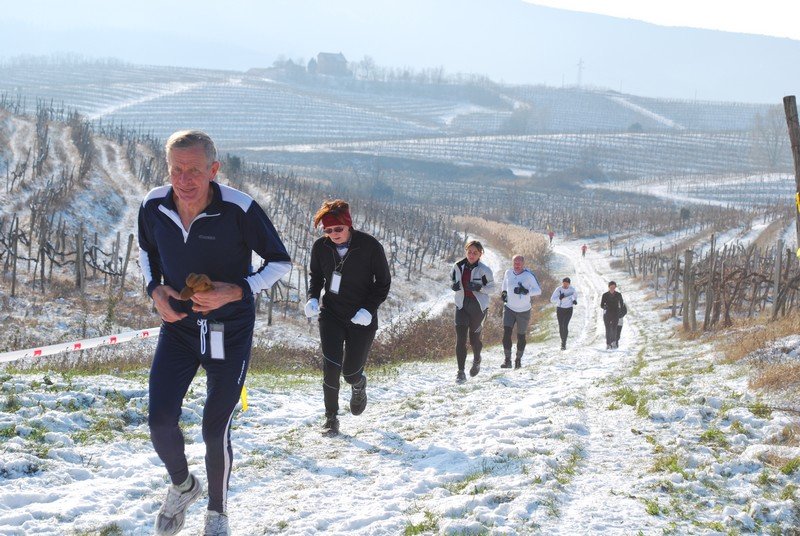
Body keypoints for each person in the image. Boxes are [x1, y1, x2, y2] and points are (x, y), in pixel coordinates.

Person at [138, 130, 292, 535]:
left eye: (194, 170)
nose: (184, 180)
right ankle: (183, 486)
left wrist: (238, 289)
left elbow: (280, 262)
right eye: (176, 170)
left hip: (230, 331)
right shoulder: (154, 205)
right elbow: (146, 250)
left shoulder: (240, 208)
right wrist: (154, 289)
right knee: (160, 421)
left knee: (213, 428)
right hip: (180, 329)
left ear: (214, 169)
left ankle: (217, 514)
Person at [304, 199, 391, 436]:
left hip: (361, 317)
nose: (333, 234)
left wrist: (369, 309)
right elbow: (316, 276)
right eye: (328, 230)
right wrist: (312, 298)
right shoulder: (320, 247)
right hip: (331, 314)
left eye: (338, 229)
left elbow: (383, 283)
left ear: (348, 224)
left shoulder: (370, 246)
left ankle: (358, 384)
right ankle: (331, 418)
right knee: (330, 367)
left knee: (350, 372)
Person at [450, 240, 495, 383]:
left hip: (478, 307)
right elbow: (452, 280)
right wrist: (453, 286)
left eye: (475, 253)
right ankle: (461, 372)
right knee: (461, 339)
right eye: (469, 252)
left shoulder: (484, 270)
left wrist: (478, 287)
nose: (471, 255)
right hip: (461, 305)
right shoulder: (457, 266)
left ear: (480, 254)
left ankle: (477, 360)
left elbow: (492, 288)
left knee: (474, 340)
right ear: (466, 252)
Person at [500, 255, 542, 368]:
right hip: (509, 308)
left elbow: (538, 291)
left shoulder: (529, 275)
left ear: (523, 264)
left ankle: (518, 360)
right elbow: (504, 285)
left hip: (524, 310)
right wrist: (504, 293)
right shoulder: (508, 272)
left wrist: (526, 291)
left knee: (521, 336)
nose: (517, 265)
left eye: (519, 263)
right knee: (506, 333)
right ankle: (507, 360)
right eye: (515, 263)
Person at [550, 277, 578, 350]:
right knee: (561, 326)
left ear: (569, 284)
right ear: (562, 283)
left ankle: (564, 343)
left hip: (569, 309)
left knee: (565, 325)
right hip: (560, 309)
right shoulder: (558, 289)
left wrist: (574, 301)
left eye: (567, 284)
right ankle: (562, 340)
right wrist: (559, 298)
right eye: (564, 283)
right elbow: (552, 300)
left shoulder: (572, 289)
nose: (565, 285)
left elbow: (574, 297)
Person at [600, 281, 625, 350]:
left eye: (614, 287)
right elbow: (601, 305)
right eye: (611, 287)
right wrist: (604, 307)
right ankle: (608, 344)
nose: (612, 288)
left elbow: (622, 304)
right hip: (607, 313)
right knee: (607, 329)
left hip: (615, 313)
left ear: (615, 287)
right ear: (609, 287)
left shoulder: (618, 294)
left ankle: (613, 342)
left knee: (614, 328)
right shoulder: (605, 295)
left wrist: (620, 311)